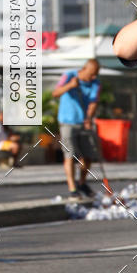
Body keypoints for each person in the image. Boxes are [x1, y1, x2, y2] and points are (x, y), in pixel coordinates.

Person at [52, 58, 100, 200]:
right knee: (70, 155)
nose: (93, 77)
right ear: (84, 69)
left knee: (89, 156)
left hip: (83, 122)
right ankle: (72, 188)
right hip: (67, 122)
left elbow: (93, 102)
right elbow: (55, 93)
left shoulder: (95, 83)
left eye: (96, 74)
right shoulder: (69, 75)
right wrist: (70, 86)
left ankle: (82, 183)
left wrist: (89, 118)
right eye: (91, 74)